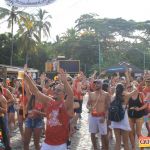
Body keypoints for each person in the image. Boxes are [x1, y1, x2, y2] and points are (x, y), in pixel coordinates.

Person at [24, 68, 74, 150]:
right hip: (47, 143)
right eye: (55, 89)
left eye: (59, 90)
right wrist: (26, 77)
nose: (55, 91)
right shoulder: (50, 101)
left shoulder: (65, 105)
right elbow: (36, 92)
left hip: (60, 144)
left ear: (64, 94)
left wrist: (65, 81)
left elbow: (71, 95)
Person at [110, 83, 137, 150]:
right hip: (123, 120)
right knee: (125, 142)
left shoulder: (113, 97)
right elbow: (136, 90)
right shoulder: (126, 96)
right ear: (123, 89)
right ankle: (136, 146)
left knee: (117, 142)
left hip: (115, 120)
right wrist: (133, 85)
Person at [87, 79, 110, 150]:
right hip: (93, 116)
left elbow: (108, 107)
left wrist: (105, 117)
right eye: (96, 83)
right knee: (92, 133)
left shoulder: (106, 94)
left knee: (104, 135)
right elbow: (88, 105)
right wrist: (89, 108)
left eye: (98, 83)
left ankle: (105, 148)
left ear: (102, 84)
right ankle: (95, 148)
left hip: (101, 116)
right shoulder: (91, 94)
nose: (97, 84)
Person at [127, 83, 146, 150]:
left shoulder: (141, 94)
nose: (133, 88)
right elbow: (125, 105)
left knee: (139, 133)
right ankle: (133, 147)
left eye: (135, 86)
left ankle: (143, 148)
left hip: (139, 116)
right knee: (130, 132)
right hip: (130, 116)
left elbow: (146, 104)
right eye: (132, 87)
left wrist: (139, 108)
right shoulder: (129, 95)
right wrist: (128, 107)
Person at [0, 85, 11, 150]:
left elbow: (5, 111)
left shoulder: (2, 98)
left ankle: (7, 147)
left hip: (2, 119)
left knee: (4, 134)